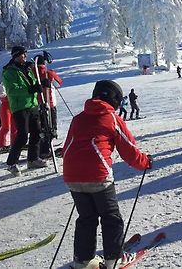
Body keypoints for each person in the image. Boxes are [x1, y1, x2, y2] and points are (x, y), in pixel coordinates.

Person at [62, 80, 152, 269]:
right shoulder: (111, 118)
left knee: (86, 217)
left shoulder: (78, 118)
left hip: (72, 175)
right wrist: (145, 162)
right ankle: (114, 258)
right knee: (111, 217)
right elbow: (129, 149)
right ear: (116, 100)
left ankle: (83, 261)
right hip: (98, 175)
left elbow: (67, 147)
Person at [2, 45, 46, 176]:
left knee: (37, 132)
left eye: (25, 54)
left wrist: (40, 86)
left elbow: (33, 83)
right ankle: (11, 163)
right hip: (20, 107)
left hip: (32, 105)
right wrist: (31, 90)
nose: (24, 57)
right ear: (15, 56)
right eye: (22, 55)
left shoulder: (27, 68)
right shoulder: (9, 72)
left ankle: (33, 158)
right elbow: (12, 90)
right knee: (22, 135)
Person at [34, 54, 63, 159]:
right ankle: (46, 148)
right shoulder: (48, 73)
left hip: (36, 103)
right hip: (49, 103)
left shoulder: (32, 73)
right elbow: (58, 83)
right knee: (50, 125)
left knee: (40, 126)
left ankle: (41, 147)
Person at [0, 82, 17, 153]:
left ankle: (14, 143)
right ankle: (1, 145)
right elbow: (1, 93)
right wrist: (10, 95)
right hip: (6, 106)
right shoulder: (3, 83)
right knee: (6, 126)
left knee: (14, 126)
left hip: (13, 105)